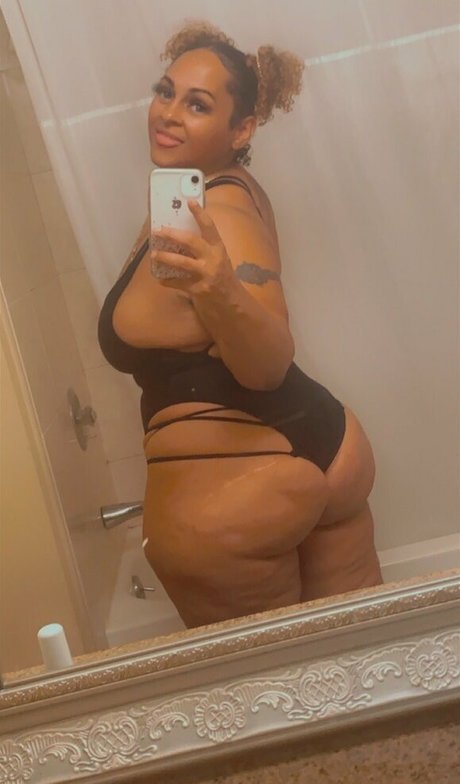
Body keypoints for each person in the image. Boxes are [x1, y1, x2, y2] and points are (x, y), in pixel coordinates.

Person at [98, 20, 383, 628]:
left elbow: (268, 363)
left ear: (242, 129)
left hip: (235, 491)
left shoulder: (223, 209)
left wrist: (221, 289)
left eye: (198, 104)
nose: (169, 113)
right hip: (317, 442)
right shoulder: (213, 194)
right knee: (364, 660)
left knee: (271, 684)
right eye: (166, 91)